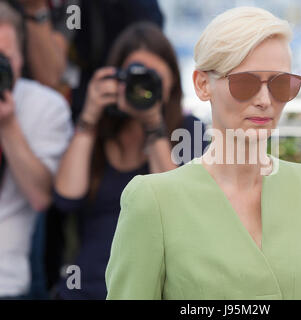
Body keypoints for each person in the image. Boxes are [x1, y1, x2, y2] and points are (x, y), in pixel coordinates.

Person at [105, 7, 301, 300]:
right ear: (202, 85)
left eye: (281, 84)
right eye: (245, 83)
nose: (265, 100)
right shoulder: (152, 200)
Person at [52, 22, 209, 300]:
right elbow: (66, 197)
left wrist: (154, 128)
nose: (143, 89)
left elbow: (177, 211)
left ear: (171, 82)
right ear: (117, 80)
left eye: (153, 79)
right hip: (85, 288)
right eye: (135, 78)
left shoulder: (189, 130)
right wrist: (89, 118)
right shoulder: (97, 130)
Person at [0, 2, 73, 299]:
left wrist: (8, 123)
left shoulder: (46, 107)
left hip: (9, 282)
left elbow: (41, 197)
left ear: (20, 58)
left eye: (3, 57)